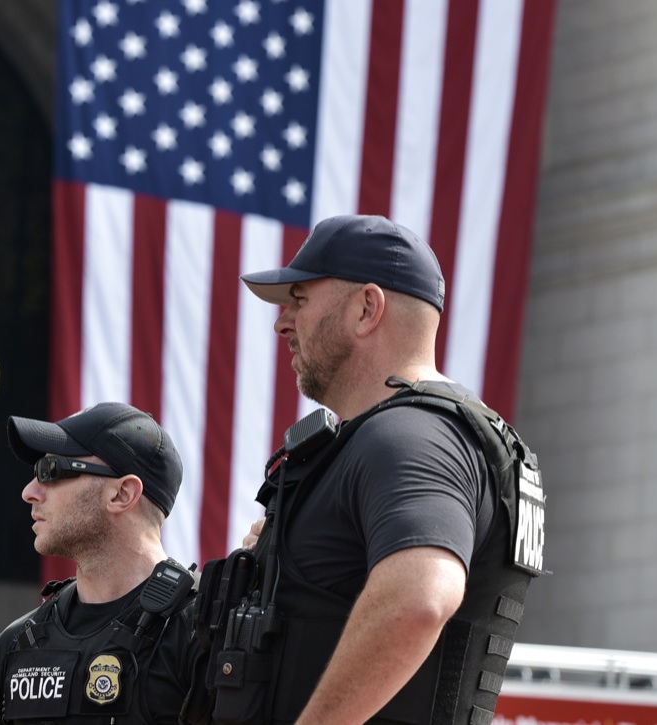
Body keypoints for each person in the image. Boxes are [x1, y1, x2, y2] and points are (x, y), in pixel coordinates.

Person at [190, 214, 545, 725]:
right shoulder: (415, 436)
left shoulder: (412, 436)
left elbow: (420, 597)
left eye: (301, 299)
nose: (282, 322)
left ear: (367, 308)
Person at [0, 402, 198, 725]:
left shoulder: (201, 634)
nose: (29, 492)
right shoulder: (15, 646)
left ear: (122, 494)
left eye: (51, 471)